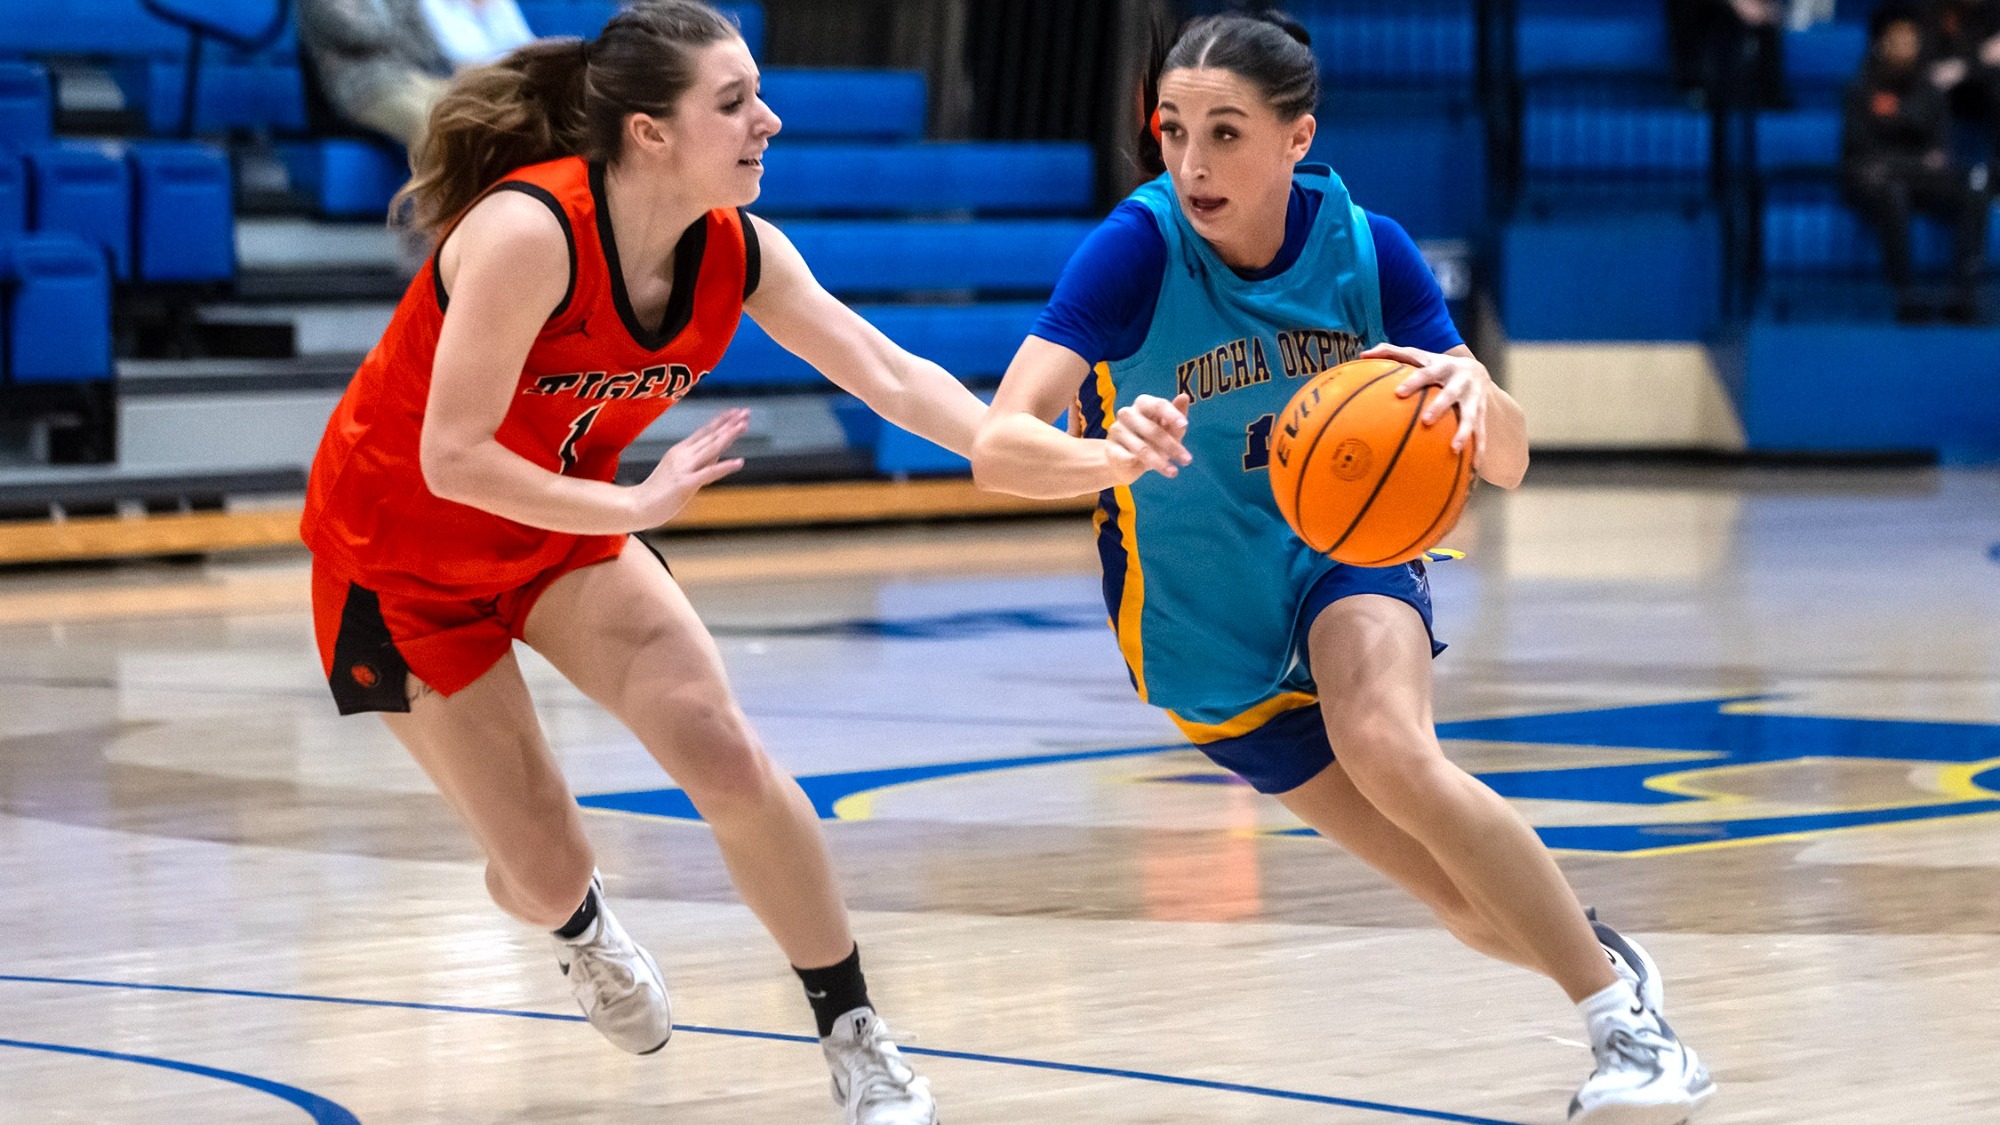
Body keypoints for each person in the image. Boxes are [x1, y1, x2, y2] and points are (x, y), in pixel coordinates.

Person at [970, 12, 1714, 1124]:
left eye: (1224, 133)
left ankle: (1627, 1032)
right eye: (1174, 130)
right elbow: (997, 447)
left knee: (1387, 744)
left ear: (1293, 138)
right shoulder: (1135, 248)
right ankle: (1602, 957)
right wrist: (1099, 451)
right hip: (1198, 629)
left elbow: (1506, 459)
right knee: (1463, 905)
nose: (1190, 162)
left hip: (1343, 554)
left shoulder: (1368, 252)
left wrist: (1475, 399)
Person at [300, 4, 973, 1122]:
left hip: (560, 529)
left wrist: (1048, 451)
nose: (768, 117)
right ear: (650, 133)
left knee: (717, 743)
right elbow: (454, 456)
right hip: (398, 556)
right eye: (732, 101)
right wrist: (633, 499)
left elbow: (893, 378)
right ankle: (577, 926)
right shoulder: (527, 233)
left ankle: (854, 1031)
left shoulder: (735, 249)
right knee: (542, 870)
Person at [1842, 5, 1989, 323]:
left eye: (1912, 41)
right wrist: (1913, 148)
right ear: (1882, 44)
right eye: (1899, 41)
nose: (1907, 48)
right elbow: (1863, 152)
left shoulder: (1930, 90)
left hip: (1918, 179)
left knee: (1974, 187)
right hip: (1874, 183)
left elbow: (1939, 150)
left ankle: (1963, 296)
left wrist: (1900, 133)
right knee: (1891, 190)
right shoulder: (1860, 88)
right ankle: (1905, 295)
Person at [300, 0, 536, 151]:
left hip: (415, 74)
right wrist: (395, 32)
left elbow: (425, 43)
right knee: (432, 121)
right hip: (364, 86)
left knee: (482, 108)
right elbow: (355, 33)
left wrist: (391, 37)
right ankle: (442, 214)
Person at [1927, 0, 2000, 164]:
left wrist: (1963, 67)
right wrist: (1979, 58)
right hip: (1951, 104)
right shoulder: (1936, 10)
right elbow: (1935, 69)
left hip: (1986, 98)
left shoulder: (1994, 10)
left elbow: (1996, 53)